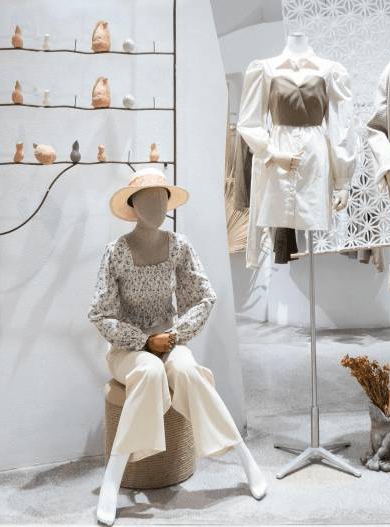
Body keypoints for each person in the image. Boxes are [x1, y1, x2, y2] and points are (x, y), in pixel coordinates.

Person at [88, 167, 266, 526]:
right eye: (148, 199)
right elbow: (101, 314)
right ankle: (113, 478)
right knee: (150, 371)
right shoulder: (116, 252)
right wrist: (143, 341)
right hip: (128, 350)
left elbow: (204, 297)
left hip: (169, 340)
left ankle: (244, 458)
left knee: (186, 370)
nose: (157, 206)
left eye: (162, 198)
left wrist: (175, 334)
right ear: (133, 206)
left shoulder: (179, 246)